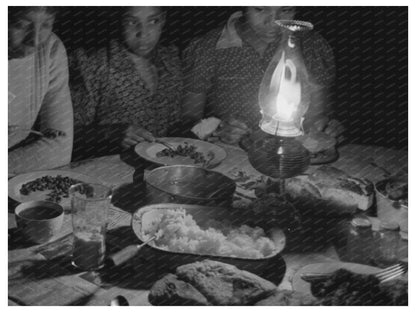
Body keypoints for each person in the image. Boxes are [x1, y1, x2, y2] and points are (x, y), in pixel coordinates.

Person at [183, 6, 344, 145]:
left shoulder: (310, 45)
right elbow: (189, 117)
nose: (273, 21)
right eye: (260, 9)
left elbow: (320, 112)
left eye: (286, 10)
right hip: (231, 152)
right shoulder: (208, 46)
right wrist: (215, 128)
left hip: (293, 151)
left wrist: (325, 127)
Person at [69, 6, 182, 161]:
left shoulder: (171, 60)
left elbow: (175, 126)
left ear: (163, 20)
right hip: (108, 173)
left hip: (164, 171)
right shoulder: (93, 64)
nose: (143, 33)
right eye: (131, 22)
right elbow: (62, 135)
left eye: (153, 21)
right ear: (119, 20)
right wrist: (110, 133)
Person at [8, 6, 74, 175]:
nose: (35, 40)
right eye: (20, 25)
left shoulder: (50, 50)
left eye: (46, 25)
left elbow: (60, 147)